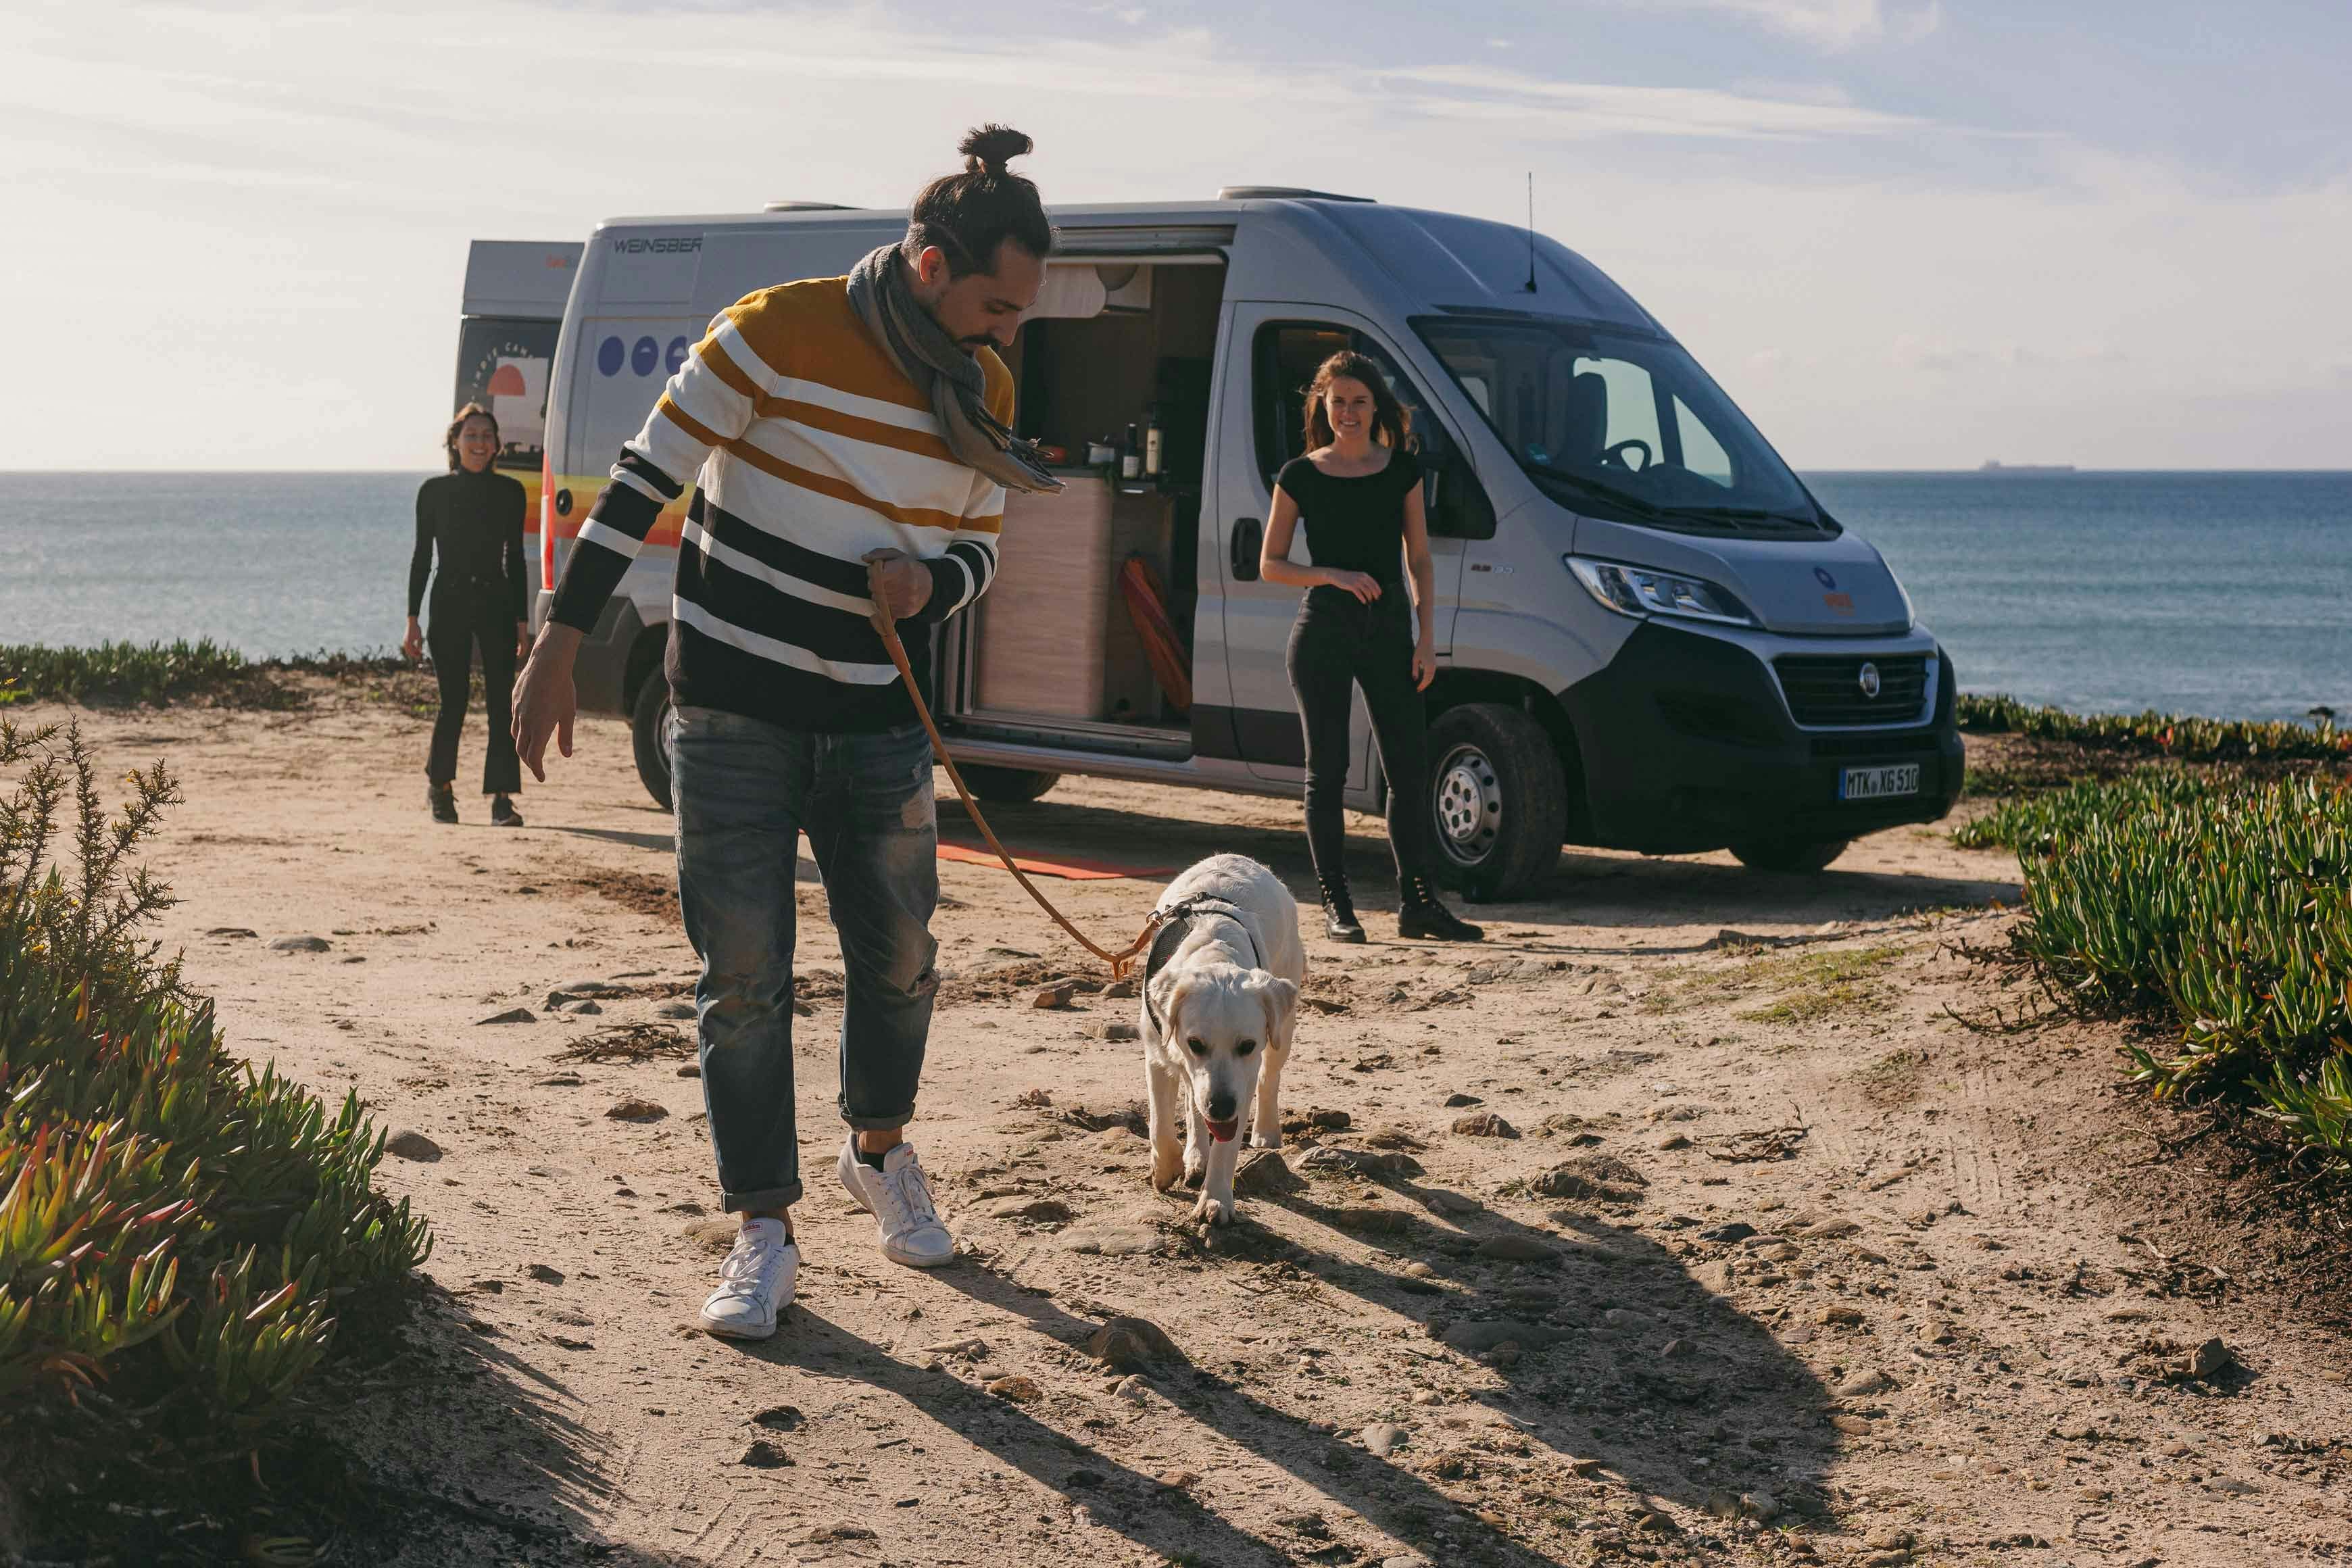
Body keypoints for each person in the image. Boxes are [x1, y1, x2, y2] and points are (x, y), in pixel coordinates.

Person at [510, 125, 1057, 1341]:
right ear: (929, 266)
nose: (1008, 330)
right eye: (995, 304)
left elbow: (981, 547)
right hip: (732, 711)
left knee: (904, 958)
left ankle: (880, 1152)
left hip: (876, 720)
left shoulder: (985, 388)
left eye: (1018, 311)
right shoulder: (775, 328)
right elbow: (642, 479)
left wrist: (932, 589)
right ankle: (762, 1227)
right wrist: (558, 643)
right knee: (744, 978)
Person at [1260, 351, 1483, 945]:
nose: (1349, 412)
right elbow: (1271, 565)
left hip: (1390, 634)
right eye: (1338, 402)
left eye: (1360, 402)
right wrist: (1331, 575)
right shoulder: (1299, 475)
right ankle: (1338, 906)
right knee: (1326, 772)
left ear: (1375, 406)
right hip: (1323, 632)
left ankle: (1419, 905)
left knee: (1408, 772)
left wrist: (1428, 638)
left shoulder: (1401, 470)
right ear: (1323, 406)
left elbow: (1419, 559)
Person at [406, 403, 529, 827]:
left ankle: (501, 799)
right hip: (449, 603)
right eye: (471, 435)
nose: (479, 443)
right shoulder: (434, 492)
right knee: (453, 702)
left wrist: (522, 620)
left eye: (486, 436)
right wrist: (411, 619)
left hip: (496, 602)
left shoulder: (512, 492)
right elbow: (422, 558)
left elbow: (517, 558)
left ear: (497, 446)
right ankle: (440, 788)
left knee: (501, 703)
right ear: (455, 442)